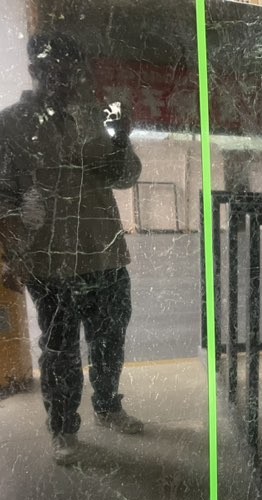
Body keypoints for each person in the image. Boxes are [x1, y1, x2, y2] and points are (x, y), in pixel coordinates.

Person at [0, 32, 143, 465]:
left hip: (105, 251)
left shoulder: (96, 117)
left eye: (71, 70)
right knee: (60, 349)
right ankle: (63, 428)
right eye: (53, 70)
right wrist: (11, 253)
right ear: (36, 70)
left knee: (110, 339)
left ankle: (108, 407)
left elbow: (125, 177)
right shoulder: (11, 124)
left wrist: (120, 138)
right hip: (51, 259)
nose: (64, 79)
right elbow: (3, 195)